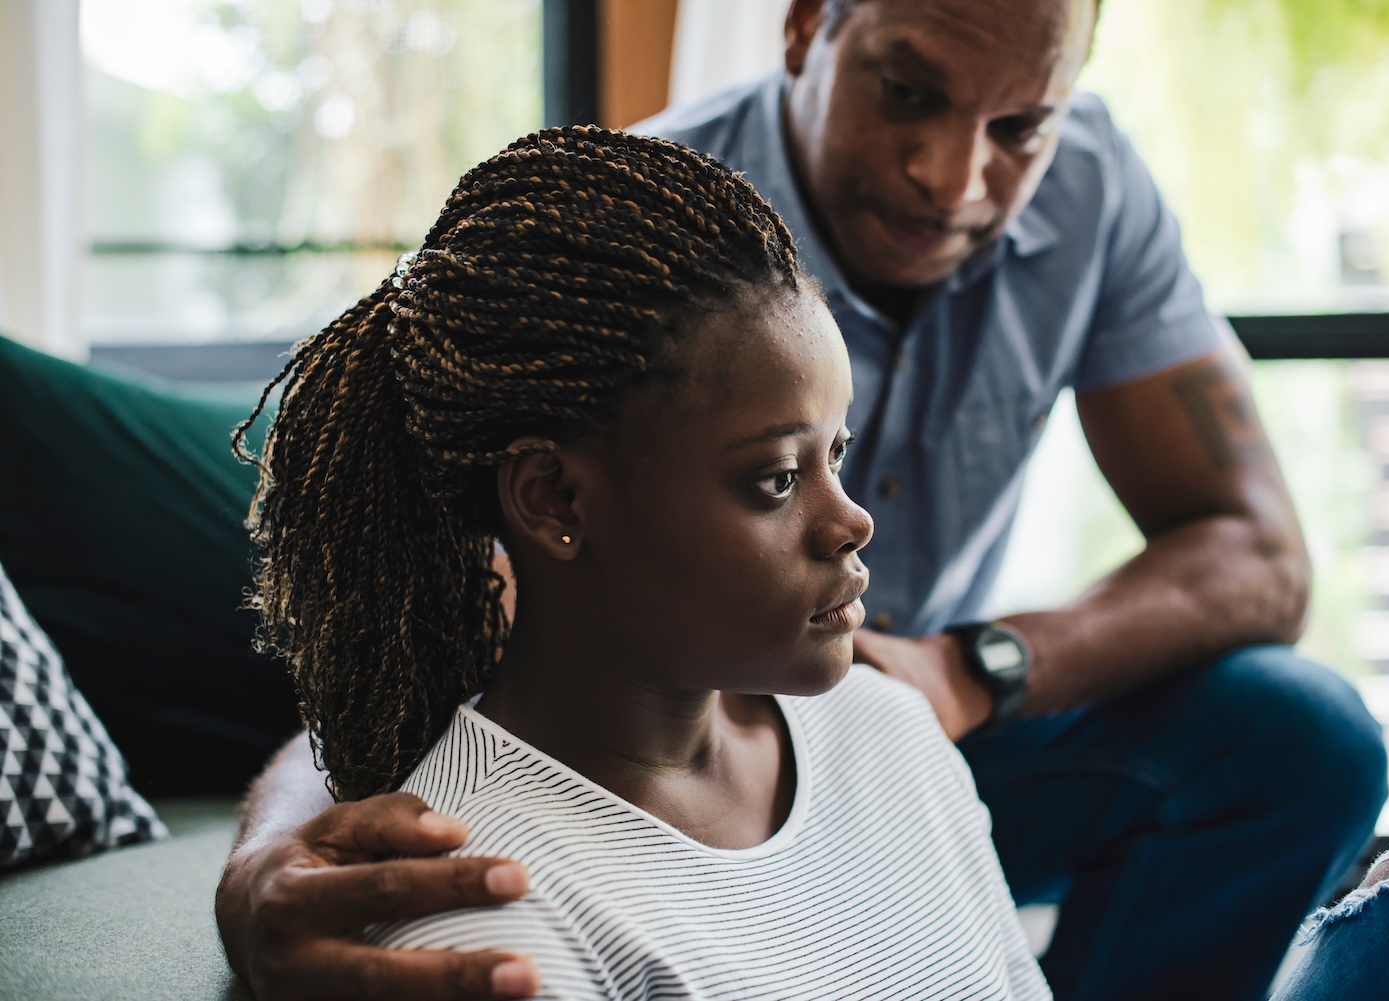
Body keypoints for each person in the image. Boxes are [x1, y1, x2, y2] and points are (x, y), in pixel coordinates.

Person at [214, 1, 1389, 999]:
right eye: (907, 93)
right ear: (805, 25)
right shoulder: (633, 253)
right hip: (673, 693)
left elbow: (1259, 552)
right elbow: (451, 630)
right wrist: (275, 847)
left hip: (901, 707)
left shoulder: (1092, 189)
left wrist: (971, 672)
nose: (955, 177)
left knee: (1313, 743)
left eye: (1018, 125)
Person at [236, 125, 1052, 1000]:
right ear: (555, 498)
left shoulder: (888, 728)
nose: (851, 521)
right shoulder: (481, 906)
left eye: (837, 455)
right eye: (777, 479)